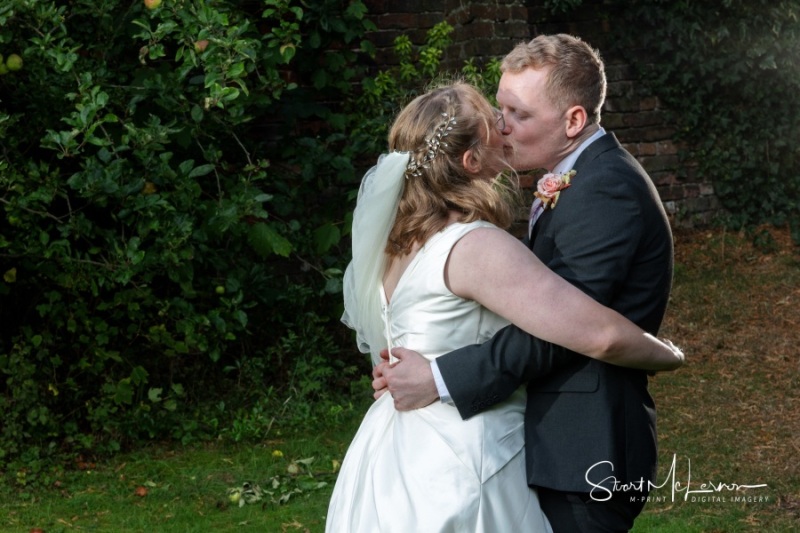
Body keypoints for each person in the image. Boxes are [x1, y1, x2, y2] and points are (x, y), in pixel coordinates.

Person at [327, 80, 682, 532]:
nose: (505, 125)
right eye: (494, 120)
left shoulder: (396, 245)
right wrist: (668, 354)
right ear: (472, 160)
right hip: (466, 450)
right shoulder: (475, 245)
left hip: (395, 450)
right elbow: (601, 335)